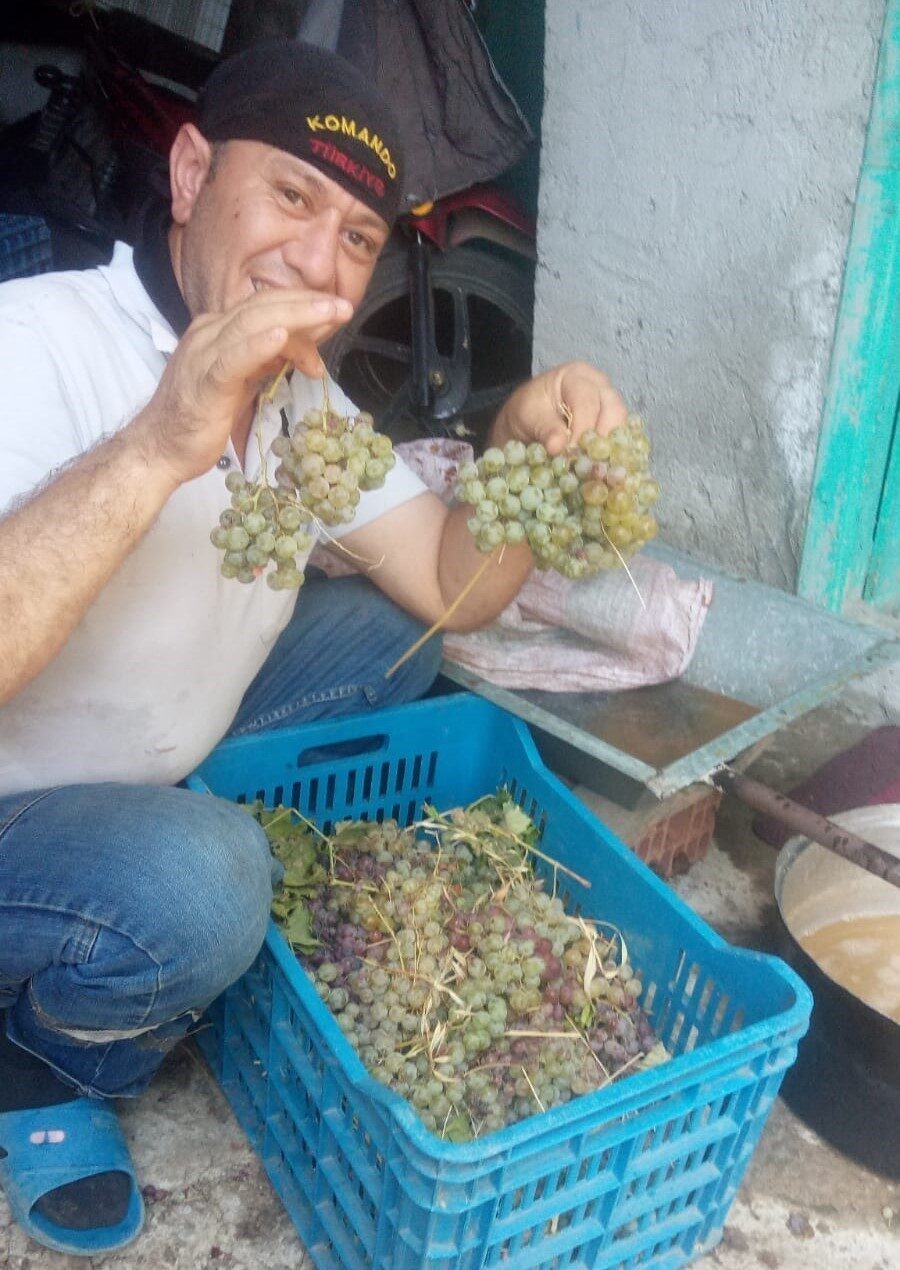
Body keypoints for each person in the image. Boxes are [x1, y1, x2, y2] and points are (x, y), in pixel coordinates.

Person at [0, 40, 626, 1256]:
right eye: (289, 196)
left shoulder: (301, 405)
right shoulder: (34, 345)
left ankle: (162, 838)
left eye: (355, 236)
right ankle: (38, 1058)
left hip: (147, 757)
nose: (319, 264)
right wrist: (159, 442)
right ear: (188, 174)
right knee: (206, 882)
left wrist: (516, 443)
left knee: (399, 633)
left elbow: (456, 586)